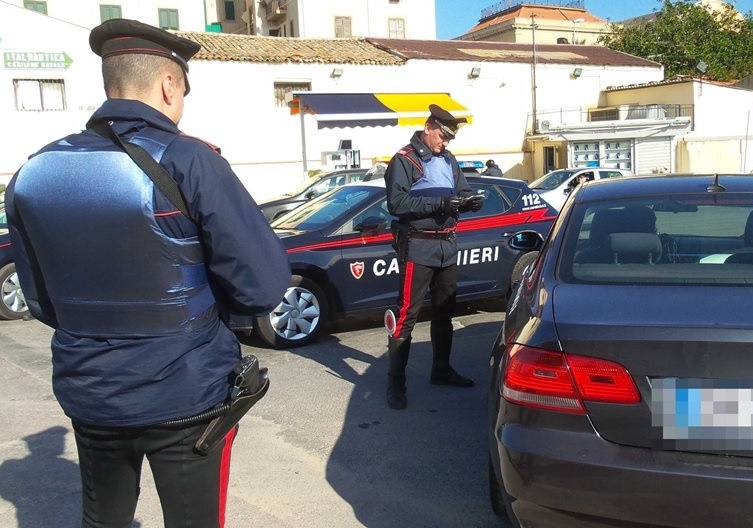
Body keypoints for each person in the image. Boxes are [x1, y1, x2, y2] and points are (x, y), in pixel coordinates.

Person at [5, 19, 290, 528]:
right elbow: (264, 285)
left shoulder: (36, 171)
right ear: (168, 84)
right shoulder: (190, 161)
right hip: (187, 390)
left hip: (91, 392)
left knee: (102, 519)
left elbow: (43, 303)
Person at [383, 104, 484, 410]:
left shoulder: (449, 159)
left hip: (446, 246)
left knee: (445, 312)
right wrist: (441, 204)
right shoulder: (404, 159)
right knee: (406, 317)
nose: (445, 143)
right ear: (428, 128)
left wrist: (467, 203)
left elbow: (462, 189)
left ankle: (441, 370)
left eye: (449, 138)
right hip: (418, 246)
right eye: (442, 136)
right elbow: (397, 203)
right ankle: (395, 384)